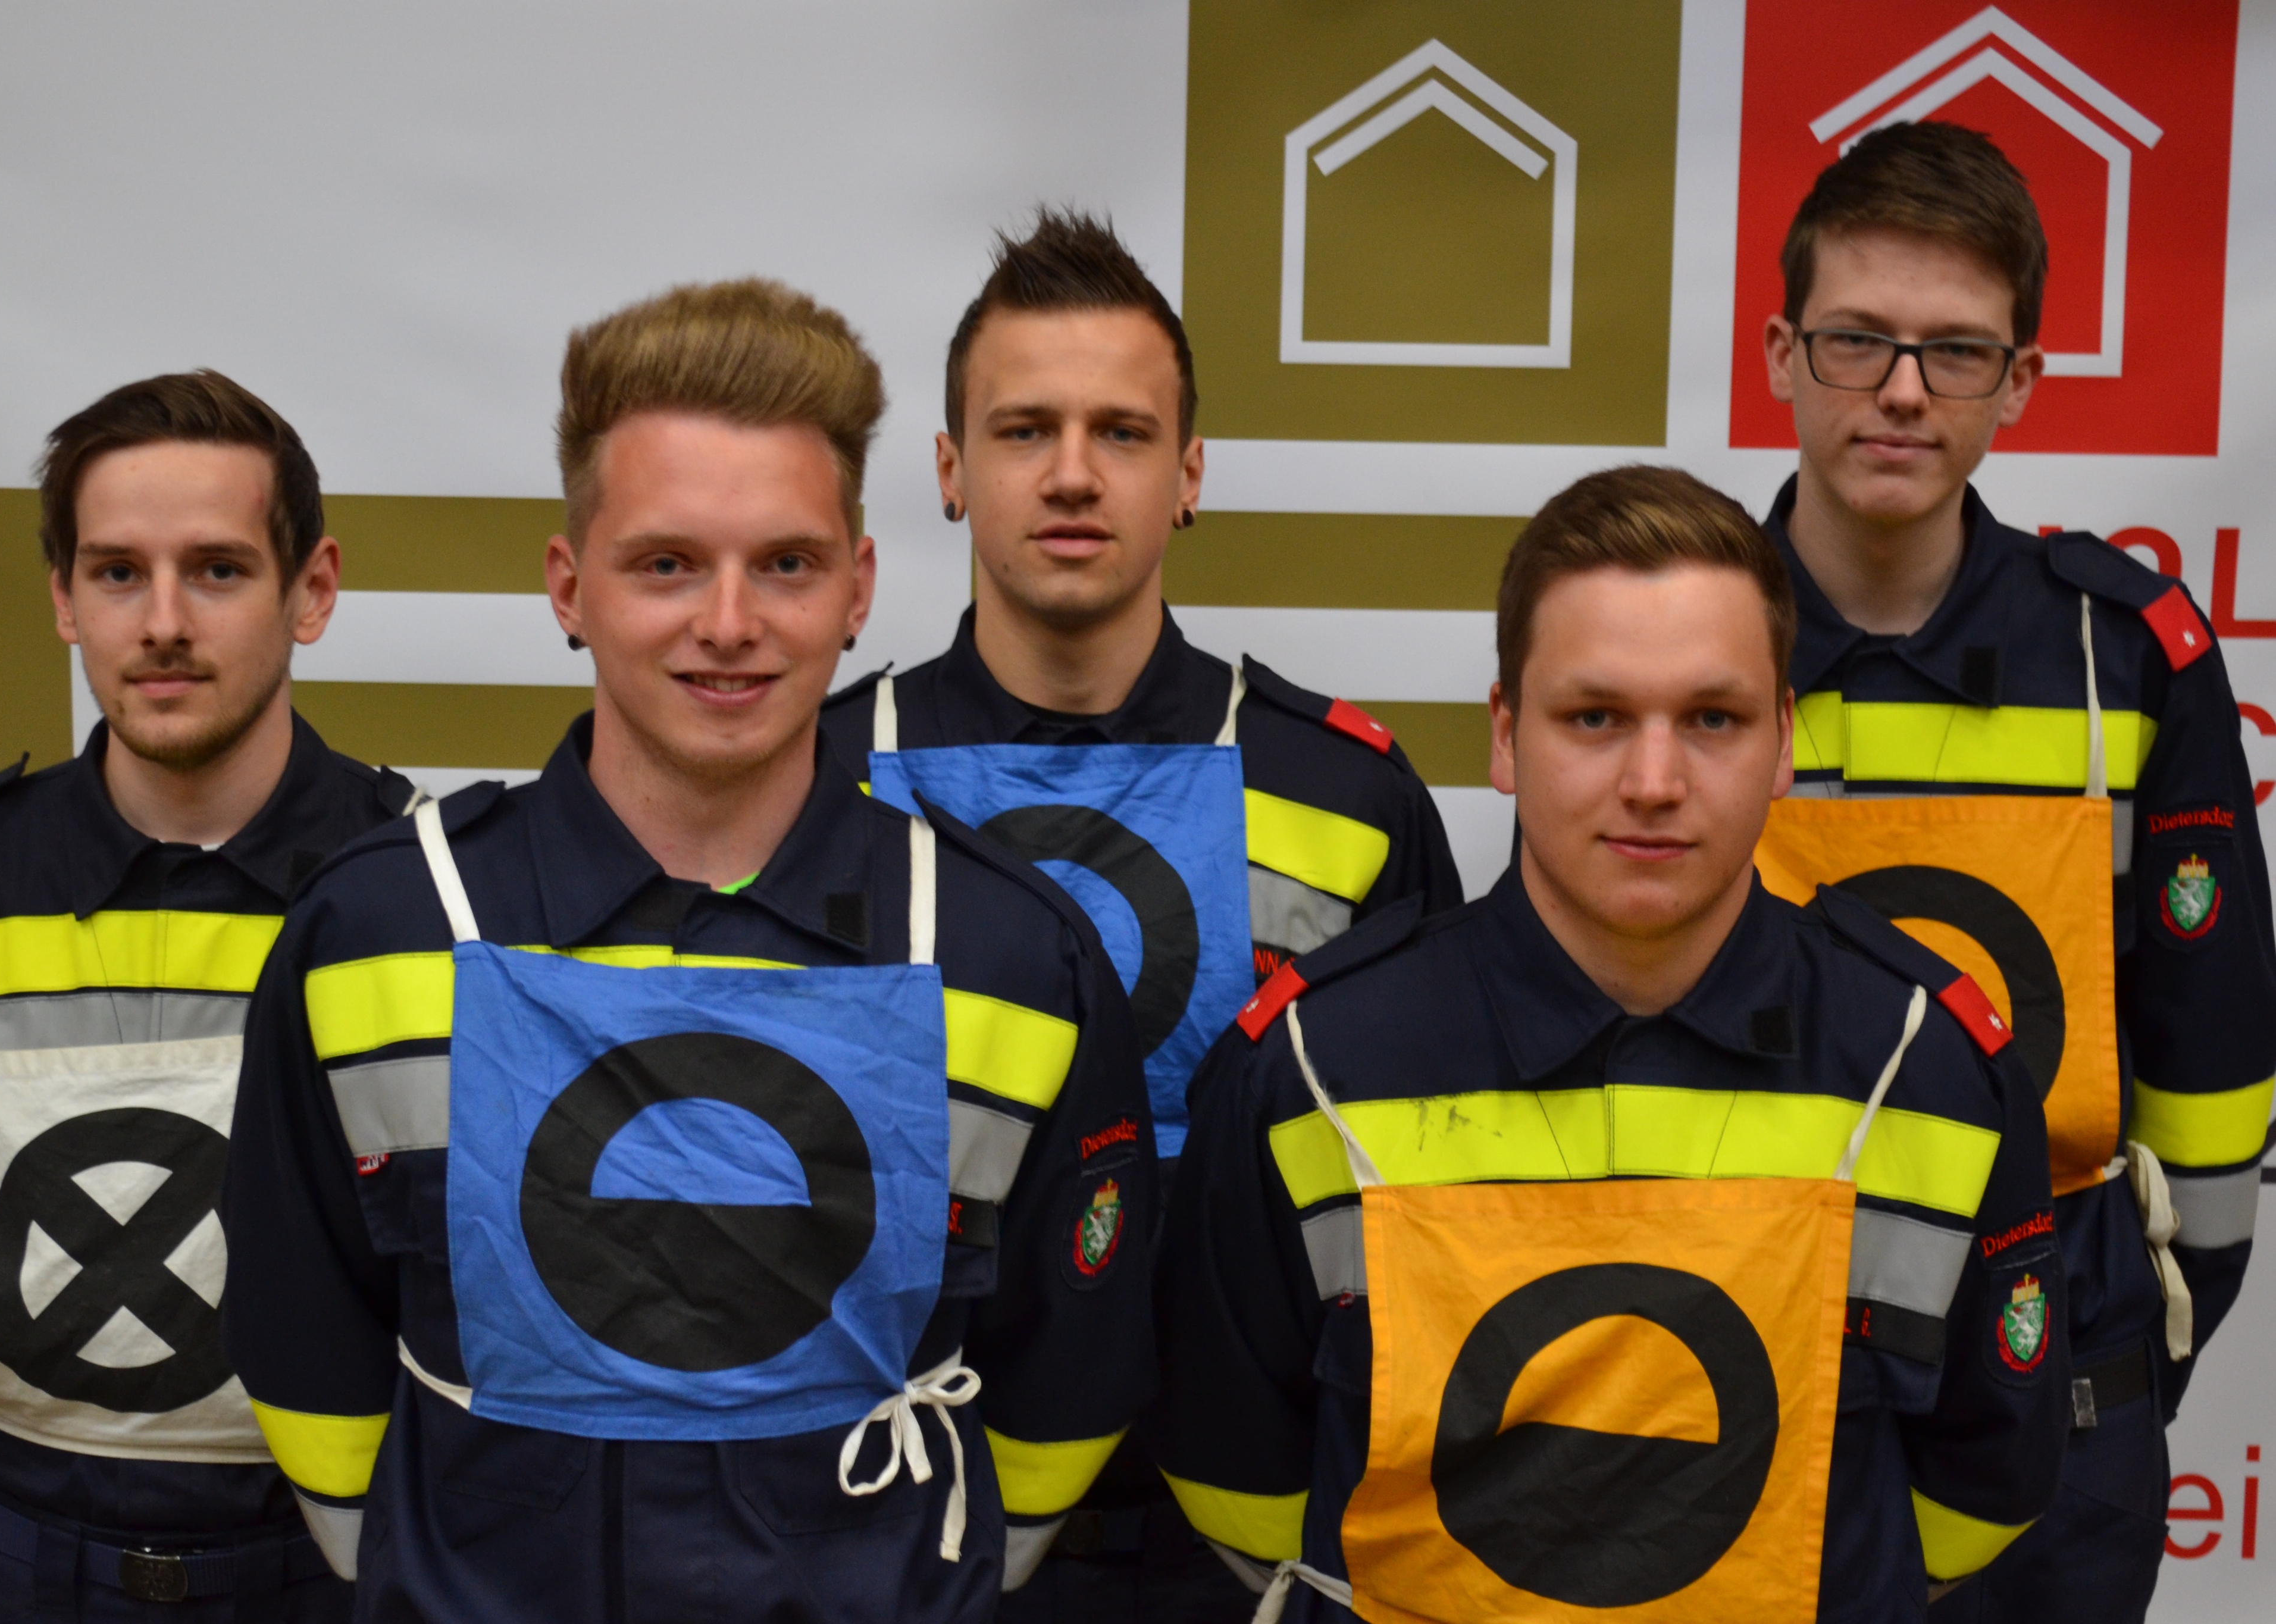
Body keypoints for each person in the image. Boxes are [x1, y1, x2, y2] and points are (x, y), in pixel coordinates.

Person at [220, 279, 1157, 1622]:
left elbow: (1070, 1374)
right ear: (569, 587)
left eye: (786, 564)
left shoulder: (1014, 955)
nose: (728, 622)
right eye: (666, 564)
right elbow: (303, 1331)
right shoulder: (376, 926)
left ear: (857, 589)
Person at [1157, 465, 2070, 1623]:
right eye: (1594, 717)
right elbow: (1235, 1477)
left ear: (1783, 741)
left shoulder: (1929, 1066)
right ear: (1504, 735)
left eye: (1712, 719)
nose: (1652, 782)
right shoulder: (1306, 1070)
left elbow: (1985, 1483)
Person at [816, 210, 1460, 1618]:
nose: (1071, 473)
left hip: (1249, 1533)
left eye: (1120, 432)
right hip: (888, 1504)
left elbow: (1434, 1192)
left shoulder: (1348, 796)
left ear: (1188, 475)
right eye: (1023, 430)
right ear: (949, 470)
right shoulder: (815, 778)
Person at [1753, 122, 2274, 1623]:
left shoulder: (2127, 652)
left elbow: (2211, 1043)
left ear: (2021, 381)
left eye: (1956, 352)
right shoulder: (1676, 626)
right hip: (1745, 1365)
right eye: (1857, 339)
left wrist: (2132, 1345)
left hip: (2064, 1393)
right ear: (1783, 354)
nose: (1901, 389)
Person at [0, 370, 414, 1620]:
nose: (163, 622)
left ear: (311, 590)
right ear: (62, 596)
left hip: (336, 1567)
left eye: (217, 570)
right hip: (12, 1562)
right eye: (116, 572)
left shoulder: (425, 891)